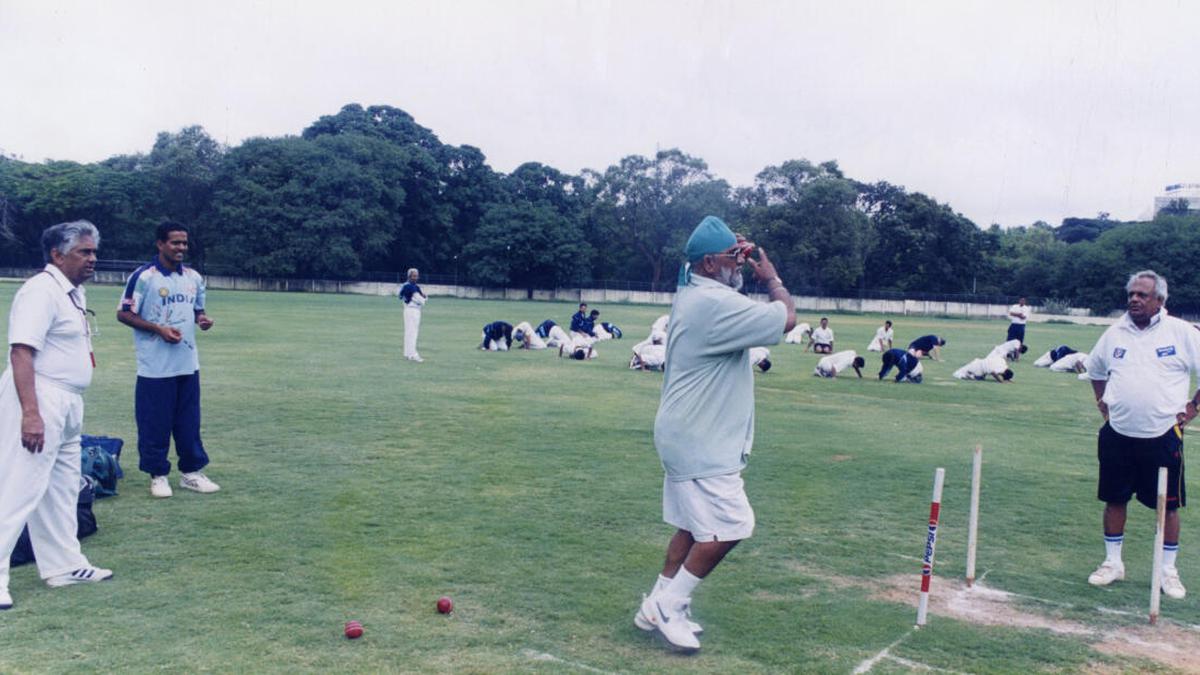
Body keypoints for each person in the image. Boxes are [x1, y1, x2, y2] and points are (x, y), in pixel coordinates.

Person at [633, 216, 795, 653]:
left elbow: (740, 293)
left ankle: (654, 603)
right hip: (699, 439)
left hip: (691, 433)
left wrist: (741, 257)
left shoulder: (699, 292)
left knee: (692, 528)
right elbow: (786, 319)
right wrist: (772, 276)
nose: (739, 265)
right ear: (708, 263)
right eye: (732, 258)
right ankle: (672, 603)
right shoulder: (712, 303)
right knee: (731, 525)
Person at [0, 221, 113, 610]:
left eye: (93, 252)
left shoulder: (73, 293)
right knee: (20, 486)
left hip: (68, 401)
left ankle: (64, 565)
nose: (92, 259)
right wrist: (31, 414)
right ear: (57, 254)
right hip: (40, 397)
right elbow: (20, 352)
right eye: (84, 252)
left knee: (61, 488)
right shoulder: (40, 291)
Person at [1083, 270, 1200, 600]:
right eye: (1131, 294)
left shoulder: (1181, 332)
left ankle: (1168, 572)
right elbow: (1095, 370)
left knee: (1168, 505)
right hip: (1118, 433)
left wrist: (1192, 408)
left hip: (1163, 434)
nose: (1134, 299)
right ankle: (1112, 564)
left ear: (1159, 301)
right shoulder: (1114, 332)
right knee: (1114, 498)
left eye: (1142, 295)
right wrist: (1102, 403)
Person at [118, 221, 219, 499]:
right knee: (155, 423)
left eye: (184, 243)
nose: (181, 248)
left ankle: (191, 473)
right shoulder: (144, 277)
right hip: (155, 367)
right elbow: (124, 314)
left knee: (189, 421)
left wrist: (202, 320)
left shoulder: (194, 278)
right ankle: (158, 475)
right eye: (175, 242)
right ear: (160, 244)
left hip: (187, 363)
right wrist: (158, 329)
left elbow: (198, 309)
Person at [398, 268, 426, 362]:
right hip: (412, 310)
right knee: (413, 333)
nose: (416, 277)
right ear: (409, 276)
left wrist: (423, 298)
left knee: (409, 332)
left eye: (417, 275)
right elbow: (421, 299)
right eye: (414, 275)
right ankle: (413, 354)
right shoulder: (410, 286)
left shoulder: (409, 286)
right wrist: (424, 299)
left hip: (410, 310)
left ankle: (408, 353)